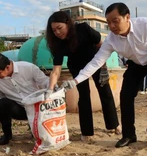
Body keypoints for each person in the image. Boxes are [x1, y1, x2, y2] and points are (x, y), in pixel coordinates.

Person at [62, 2, 147, 149]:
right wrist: (76, 80)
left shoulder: (146, 24)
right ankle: (129, 135)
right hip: (135, 64)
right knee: (125, 96)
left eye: (115, 21)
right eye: (108, 22)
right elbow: (96, 62)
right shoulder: (111, 39)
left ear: (127, 17)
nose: (112, 26)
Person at [44, 10, 120, 142]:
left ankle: (114, 125)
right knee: (84, 96)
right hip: (77, 67)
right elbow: (56, 70)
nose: (57, 32)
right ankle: (86, 132)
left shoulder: (83, 29)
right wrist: (50, 89)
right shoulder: (57, 43)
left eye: (59, 28)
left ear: (68, 23)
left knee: (105, 91)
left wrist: (103, 67)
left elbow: (101, 45)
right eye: (54, 30)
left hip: (95, 61)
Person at [0, 53, 50, 145]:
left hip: (38, 108)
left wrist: (53, 94)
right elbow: (0, 98)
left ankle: (36, 128)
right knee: (3, 103)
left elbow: (46, 81)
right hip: (19, 110)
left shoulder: (28, 68)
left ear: (7, 67)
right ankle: (7, 135)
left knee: (43, 135)